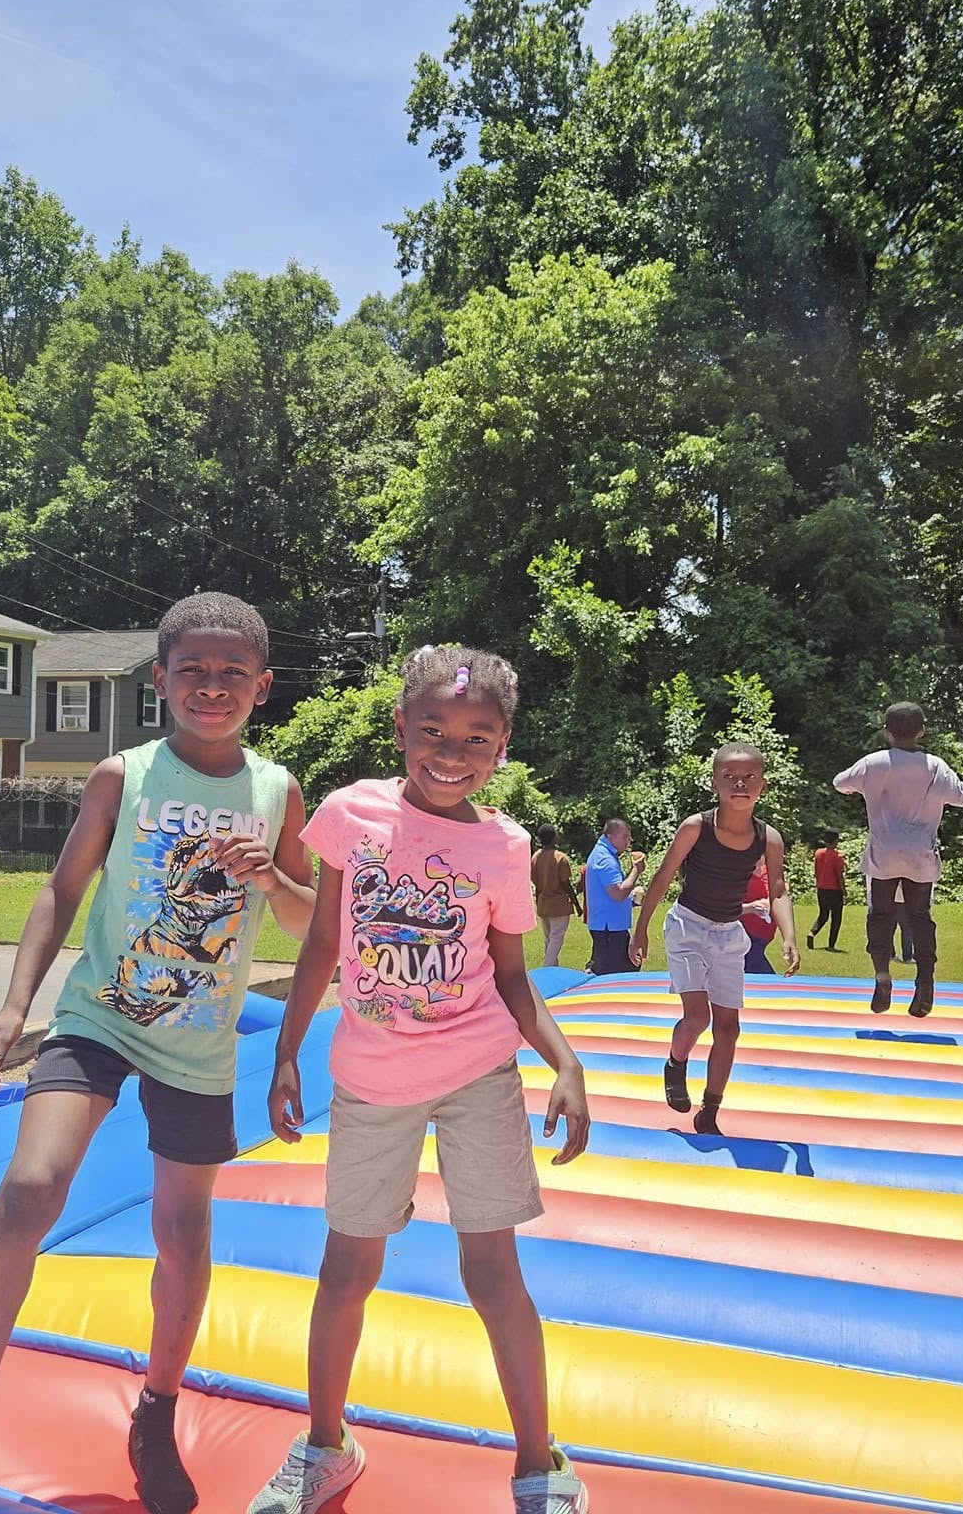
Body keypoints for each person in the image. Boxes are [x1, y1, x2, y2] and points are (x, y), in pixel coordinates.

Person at [0, 594, 316, 1514]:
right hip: (100, 1015)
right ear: (159, 682)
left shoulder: (277, 789)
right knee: (29, 1190)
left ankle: (156, 1409)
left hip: (201, 1039)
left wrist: (272, 875)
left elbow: (309, 924)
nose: (210, 688)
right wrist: (15, 1004)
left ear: (261, 687)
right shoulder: (123, 774)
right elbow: (61, 892)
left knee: (182, 1235)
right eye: (192, 671)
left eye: (231, 674)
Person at [251, 644, 592, 1514]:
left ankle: (538, 1466)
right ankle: (325, 1446)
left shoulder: (505, 846)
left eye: (477, 738)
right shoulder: (350, 814)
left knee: (493, 1274)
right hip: (371, 1078)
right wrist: (288, 1050)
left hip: (478, 1071)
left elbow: (513, 976)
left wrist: (565, 1061)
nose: (451, 751)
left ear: (503, 745)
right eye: (433, 730)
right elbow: (324, 942)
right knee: (347, 1268)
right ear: (401, 725)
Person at [630, 743, 799, 1134]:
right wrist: (641, 929)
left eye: (749, 777)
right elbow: (663, 877)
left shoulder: (768, 838)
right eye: (729, 777)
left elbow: (777, 889)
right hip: (688, 926)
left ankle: (710, 1110)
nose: (740, 783)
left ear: (763, 785)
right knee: (697, 1017)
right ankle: (676, 1061)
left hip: (728, 934)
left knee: (729, 1027)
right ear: (714, 784)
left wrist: (789, 935)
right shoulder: (696, 827)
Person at [833, 702, 963, 1019]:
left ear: (886, 730)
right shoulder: (935, 766)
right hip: (921, 854)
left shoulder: (873, 763)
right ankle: (925, 979)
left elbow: (840, 783)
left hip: (884, 851)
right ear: (922, 730)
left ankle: (883, 973)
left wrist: (865, 788)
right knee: (920, 917)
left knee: (880, 915)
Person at [582, 818, 645, 974]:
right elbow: (617, 893)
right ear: (610, 836)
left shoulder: (603, 854)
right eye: (624, 836)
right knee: (617, 973)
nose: (628, 841)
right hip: (609, 929)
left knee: (622, 967)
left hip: (609, 926)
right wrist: (636, 871)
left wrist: (631, 899)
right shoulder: (605, 859)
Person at [530, 825, 583, 968]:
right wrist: (577, 904)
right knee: (556, 939)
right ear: (554, 837)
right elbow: (566, 884)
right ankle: (547, 969)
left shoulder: (535, 857)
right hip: (558, 905)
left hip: (543, 903)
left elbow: (534, 880)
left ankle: (553, 969)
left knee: (549, 939)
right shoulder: (561, 858)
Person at [806, 835, 846, 950]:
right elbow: (839, 876)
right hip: (835, 890)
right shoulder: (838, 856)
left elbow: (816, 871)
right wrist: (844, 891)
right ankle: (831, 945)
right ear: (836, 841)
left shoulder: (818, 853)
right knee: (836, 918)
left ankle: (812, 932)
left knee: (823, 914)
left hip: (822, 888)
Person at [740, 858, 776, 974]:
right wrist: (750, 908)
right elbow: (720, 908)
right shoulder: (735, 875)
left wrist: (770, 902)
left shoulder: (770, 872)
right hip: (743, 936)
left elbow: (780, 895)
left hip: (763, 937)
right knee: (766, 977)